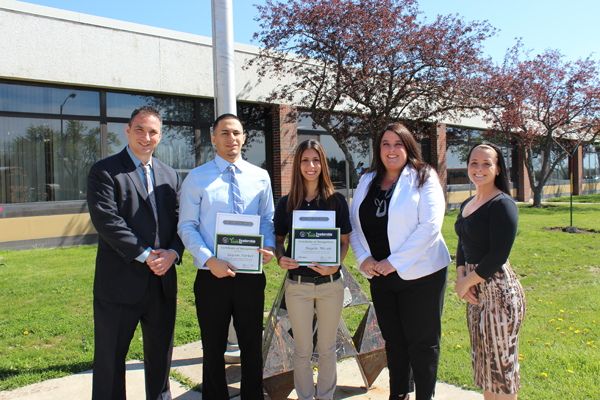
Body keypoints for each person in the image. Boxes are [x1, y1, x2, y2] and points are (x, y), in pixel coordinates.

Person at [87, 105, 184, 400]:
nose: (146, 137)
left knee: (161, 360)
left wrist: (173, 253)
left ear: (160, 136)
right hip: (120, 285)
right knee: (110, 362)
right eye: (139, 129)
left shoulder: (170, 175)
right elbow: (108, 222)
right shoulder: (104, 171)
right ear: (128, 131)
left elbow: (181, 221)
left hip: (162, 282)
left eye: (153, 131)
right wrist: (147, 255)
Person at [177, 113, 276, 400]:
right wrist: (210, 260)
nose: (231, 138)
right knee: (213, 347)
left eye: (236, 133)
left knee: (252, 345)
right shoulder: (197, 177)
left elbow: (267, 220)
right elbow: (186, 226)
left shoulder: (260, 177)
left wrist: (269, 247)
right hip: (212, 276)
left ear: (244, 137)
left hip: (250, 275)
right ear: (213, 138)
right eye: (224, 133)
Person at [349, 123, 450, 400]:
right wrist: (363, 258)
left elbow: (430, 226)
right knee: (393, 342)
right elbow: (353, 223)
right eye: (385, 144)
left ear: (408, 147)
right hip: (380, 276)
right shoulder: (367, 180)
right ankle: (399, 394)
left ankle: (424, 396)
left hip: (422, 276)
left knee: (422, 343)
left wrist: (394, 262)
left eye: (398, 144)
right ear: (378, 149)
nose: (391, 150)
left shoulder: (424, 176)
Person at [273, 139, 352, 400]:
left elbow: (344, 242)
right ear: (298, 164)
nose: (311, 165)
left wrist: (336, 263)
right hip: (298, 287)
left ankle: (326, 396)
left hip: (331, 286)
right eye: (305, 160)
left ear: (323, 164)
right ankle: (306, 397)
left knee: (327, 348)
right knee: (302, 349)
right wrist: (281, 258)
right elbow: (279, 241)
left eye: (316, 160)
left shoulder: (336, 201)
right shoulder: (286, 203)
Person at [454, 142, 525, 400]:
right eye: (474, 163)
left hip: (499, 294)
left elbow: (498, 255)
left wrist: (466, 283)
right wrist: (461, 276)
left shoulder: (502, 204)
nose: (479, 168)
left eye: (487, 163)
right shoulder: (468, 203)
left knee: (501, 372)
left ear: (497, 169)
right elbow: (463, 242)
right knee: (485, 367)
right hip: (476, 293)